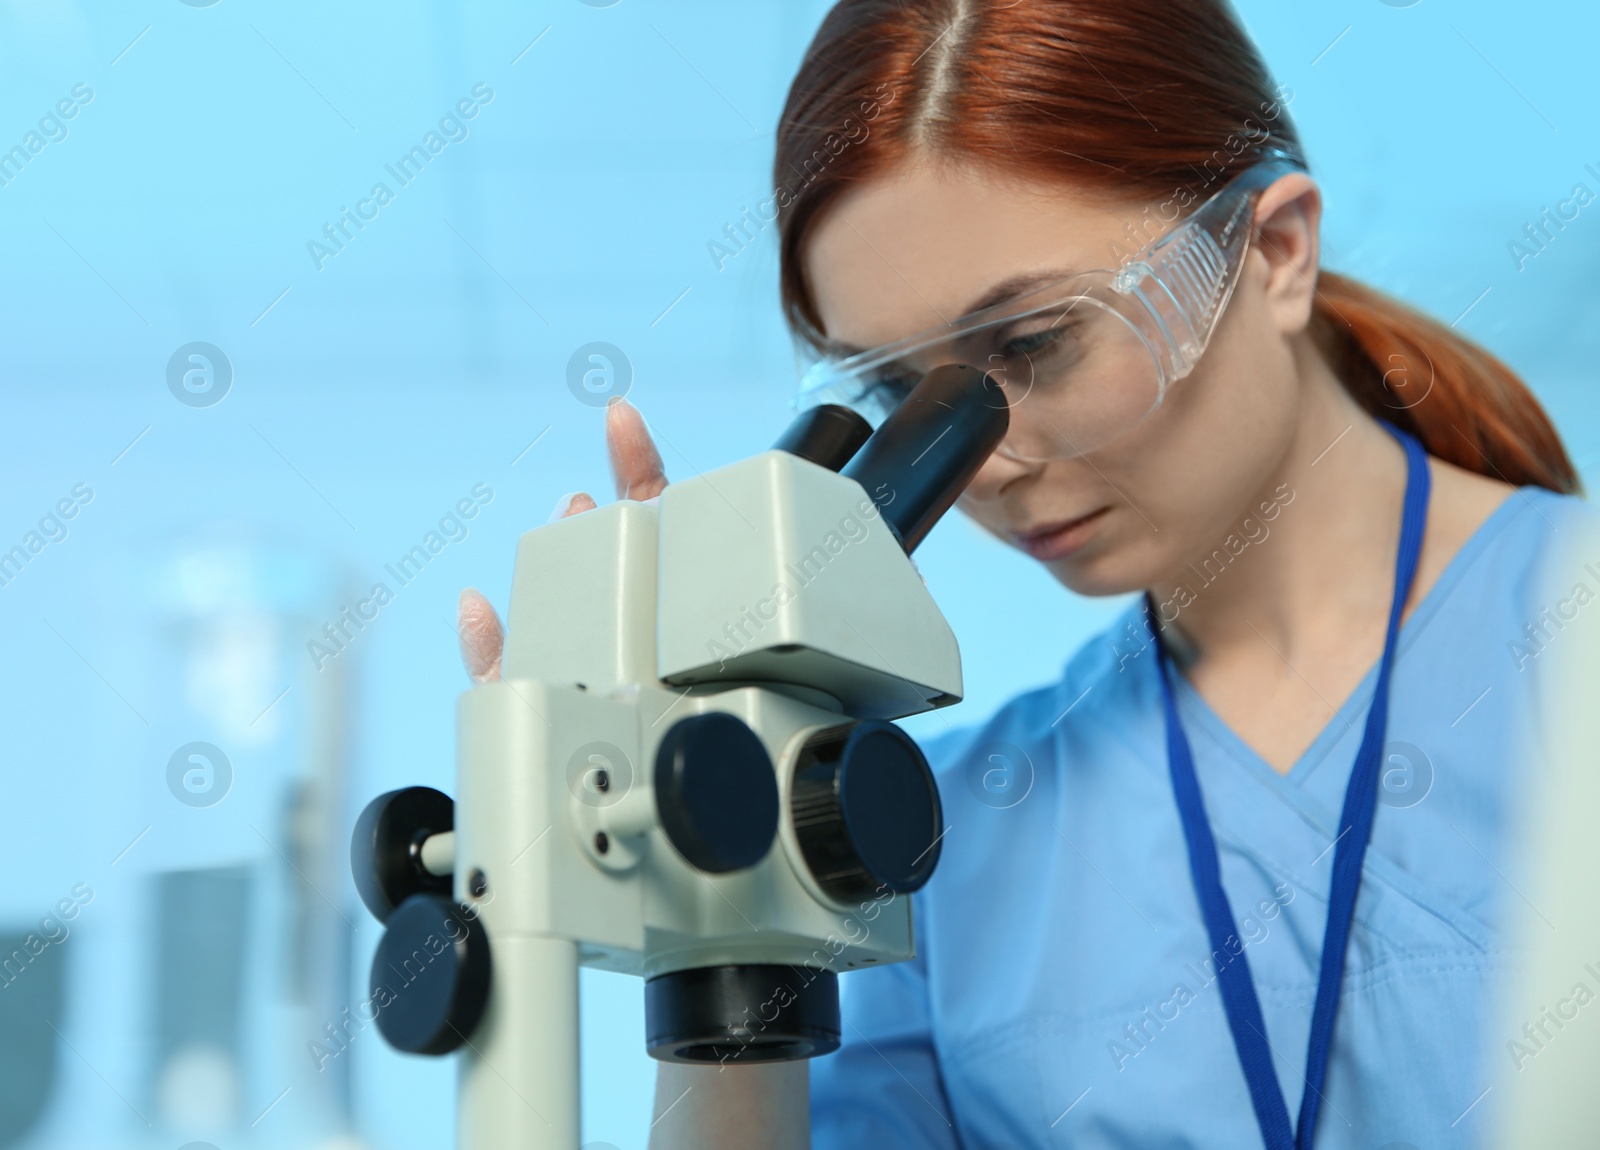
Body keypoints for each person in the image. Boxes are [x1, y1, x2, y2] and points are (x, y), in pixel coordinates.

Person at [457, 1, 1588, 1146]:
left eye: (1032, 344)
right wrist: (728, 879)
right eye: (902, 397)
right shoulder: (924, 846)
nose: (984, 467)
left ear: (1275, 251)